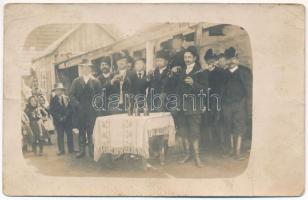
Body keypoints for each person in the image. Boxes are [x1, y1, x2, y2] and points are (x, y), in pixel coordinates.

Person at [171, 46, 208, 167]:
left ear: (195, 58)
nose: (187, 59)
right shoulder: (181, 71)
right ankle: (187, 154)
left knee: (195, 132)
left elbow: (205, 90)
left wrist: (194, 84)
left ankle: (197, 156)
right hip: (181, 107)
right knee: (183, 131)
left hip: (194, 106)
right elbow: (176, 89)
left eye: (189, 57)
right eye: (185, 57)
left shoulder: (201, 71)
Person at [222, 47, 252, 160]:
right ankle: (230, 150)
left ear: (237, 59)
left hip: (240, 105)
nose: (231, 61)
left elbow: (249, 91)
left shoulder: (244, 72)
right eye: (229, 59)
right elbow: (221, 90)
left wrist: (247, 105)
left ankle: (237, 153)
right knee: (228, 127)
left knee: (239, 128)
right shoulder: (224, 73)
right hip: (227, 105)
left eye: (233, 58)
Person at [70, 59, 101, 159]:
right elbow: (71, 95)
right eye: (83, 67)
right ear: (81, 69)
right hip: (80, 110)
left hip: (91, 111)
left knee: (91, 131)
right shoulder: (76, 81)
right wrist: (77, 104)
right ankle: (82, 150)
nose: (85, 69)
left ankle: (92, 150)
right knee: (81, 131)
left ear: (91, 68)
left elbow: (99, 96)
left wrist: (95, 105)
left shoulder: (95, 81)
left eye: (88, 67)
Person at [203, 49, 227, 153]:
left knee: (219, 123)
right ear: (206, 62)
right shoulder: (204, 73)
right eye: (208, 61)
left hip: (218, 100)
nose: (210, 63)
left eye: (212, 60)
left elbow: (223, 87)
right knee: (208, 123)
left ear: (216, 61)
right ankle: (211, 145)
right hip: (207, 101)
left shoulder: (221, 72)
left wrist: (220, 100)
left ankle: (221, 146)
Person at [49, 83, 74, 155]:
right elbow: (52, 111)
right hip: (59, 121)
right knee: (60, 135)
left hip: (67, 120)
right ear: (55, 91)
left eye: (60, 90)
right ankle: (61, 150)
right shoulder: (53, 100)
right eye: (57, 90)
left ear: (62, 91)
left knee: (69, 134)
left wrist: (66, 116)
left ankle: (71, 149)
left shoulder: (66, 98)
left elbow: (70, 108)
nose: (59, 92)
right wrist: (59, 117)